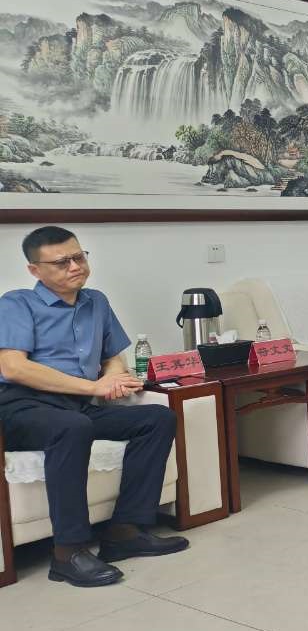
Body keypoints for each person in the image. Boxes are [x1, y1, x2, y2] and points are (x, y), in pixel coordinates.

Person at [0, 226, 189, 587]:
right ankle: (67, 553)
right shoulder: (16, 303)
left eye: (79, 257)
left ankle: (125, 531)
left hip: (76, 407)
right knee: (73, 426)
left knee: (157, 418)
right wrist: (93, 386)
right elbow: (13, 368)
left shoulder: (96, 302)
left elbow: (112, 357)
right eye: (61, 262)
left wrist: (114, 379)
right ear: (35, 270)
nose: (75, 267)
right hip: (21, 407)